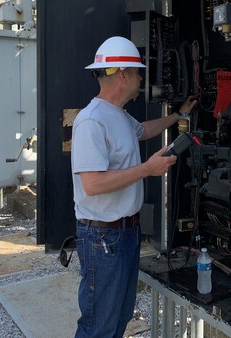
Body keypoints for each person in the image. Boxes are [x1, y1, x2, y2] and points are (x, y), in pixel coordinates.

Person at [71, 36, 197, 338]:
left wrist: (179, 116)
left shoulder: (120, 116)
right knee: (98, 325)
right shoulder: (91, 120)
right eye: (139, 72)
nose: (142, 78)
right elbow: (92, 184)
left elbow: (143, 130)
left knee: (119, 317)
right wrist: (147, 169)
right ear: (123, 75)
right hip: (103, 237)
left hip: (124, 234)